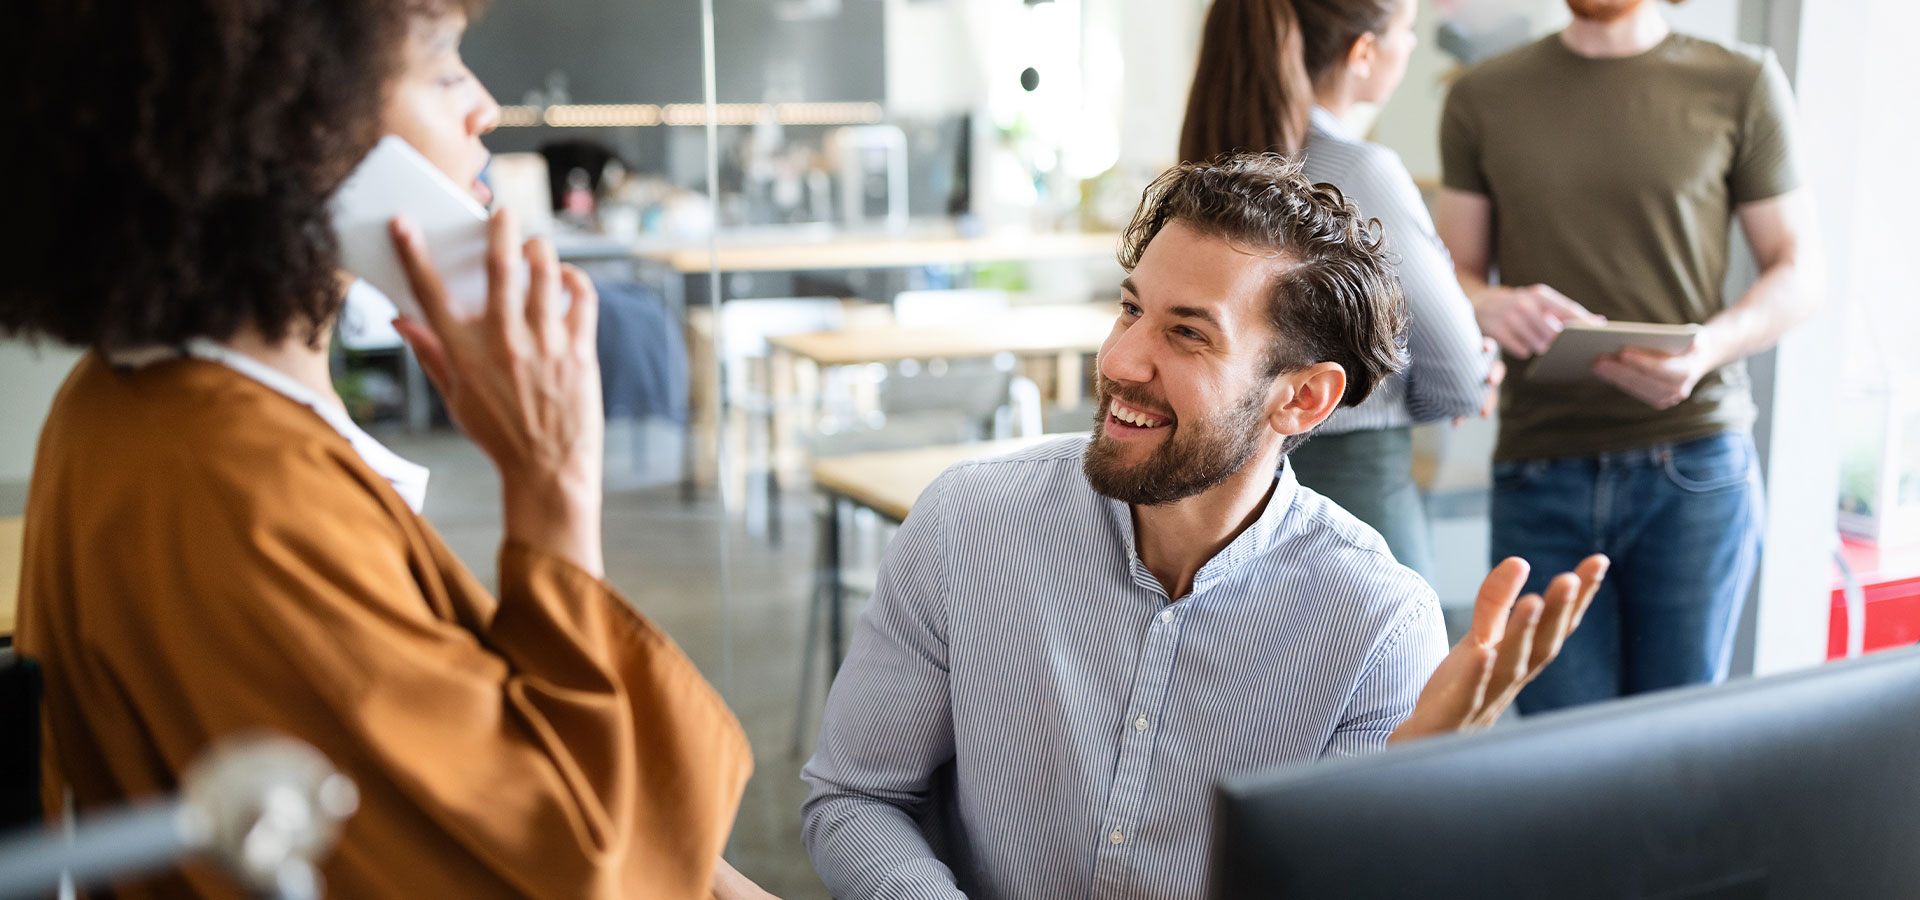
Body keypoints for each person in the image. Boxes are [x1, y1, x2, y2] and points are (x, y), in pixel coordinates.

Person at [6, 3, 775, 897]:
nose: (484, 107)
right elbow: (566, 868)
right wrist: (554, 485)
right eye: (446, 66)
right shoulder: (246, 487)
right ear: (298, 121)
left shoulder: (128, 404)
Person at [801, 154, 1608, 899]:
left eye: (1187, 333)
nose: (1121, 360)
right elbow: (856, 795)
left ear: (1303, 399)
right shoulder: (968, 526)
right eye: (1130, 310)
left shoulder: (1377, 625)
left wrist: (1404, 808)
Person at [1434, 0, 1821, 713]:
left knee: (1678, 752)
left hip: (1694, 466)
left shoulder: (1741, 81)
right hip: (1540, 465)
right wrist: (1488, 303)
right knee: (1563, 768)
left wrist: (1709, 347)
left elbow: (1797, 270)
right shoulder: (1482, 94)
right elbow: (1450, 271)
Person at [1179, 0, 1499, 579]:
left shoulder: (1200, 168)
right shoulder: (1358, 173)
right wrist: (1465, 369)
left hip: (1216, 495)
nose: (1414, 46)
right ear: (1363, 52)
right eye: (1407, 30)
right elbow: (1458, 379)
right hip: (1352, 487)